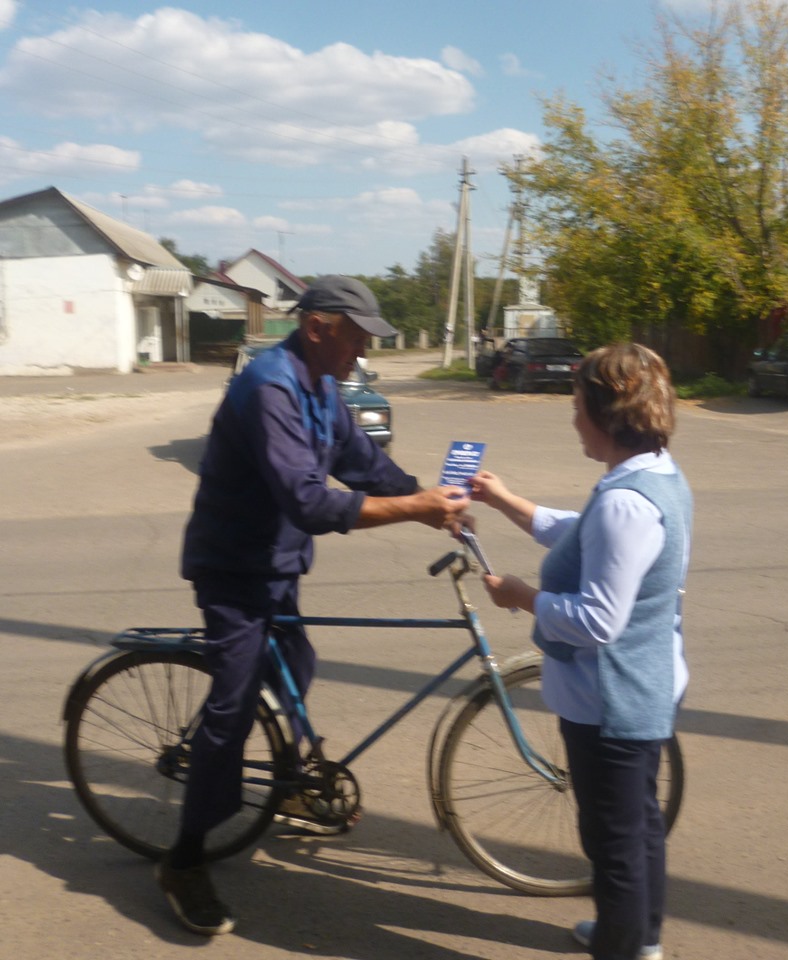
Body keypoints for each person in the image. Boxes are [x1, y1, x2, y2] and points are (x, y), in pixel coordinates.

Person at [158, 275, 470, 937]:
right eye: (355, 336)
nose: (362, 351)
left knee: (296, 665)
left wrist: (424, 499)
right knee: (232, 709)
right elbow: (308, 500)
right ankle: (184, 861)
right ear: (318, 326)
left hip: (278, 564)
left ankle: (290, 775)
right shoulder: (268, 387)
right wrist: (412, 509)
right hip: (234, 570)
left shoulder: (323, 382)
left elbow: (358, 460)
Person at [469, 342, 692, 960]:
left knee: (614, 844)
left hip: (611, 702)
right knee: (639, 830)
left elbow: (598, 621)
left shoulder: (625, 501)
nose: (572, 421)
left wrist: (522, 597)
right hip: (641, 687)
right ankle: (640, 938)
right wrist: (505, 499)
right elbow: (583, 534)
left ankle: (624, 946)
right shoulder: (653, 476)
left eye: (577, 406)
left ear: (607, 413)